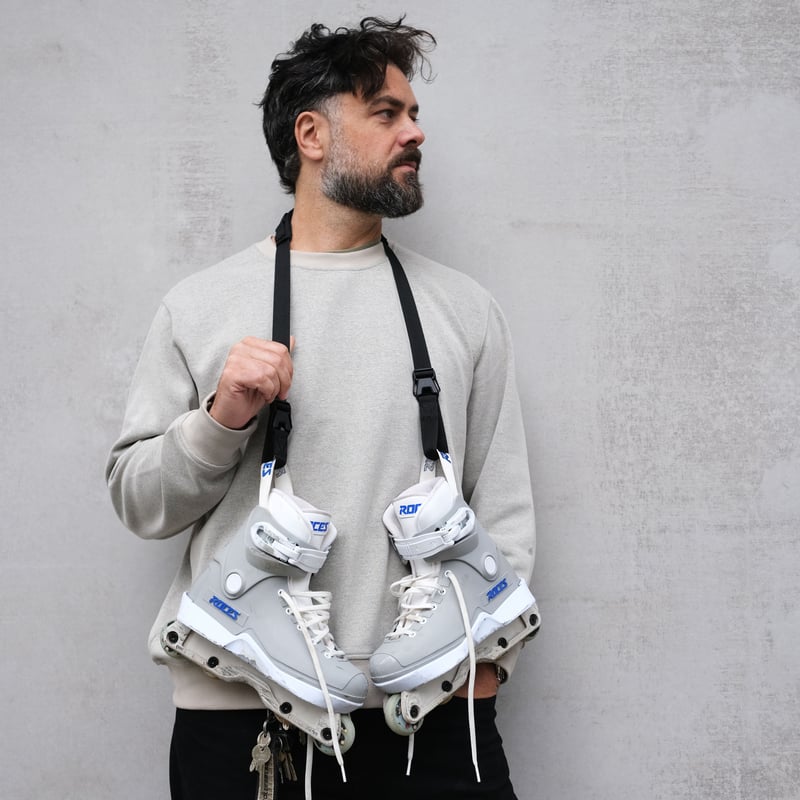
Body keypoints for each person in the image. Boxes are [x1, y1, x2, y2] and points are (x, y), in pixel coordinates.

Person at [107, 17, 536, 800]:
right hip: (247, 718)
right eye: (386, 112)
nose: (415, 132)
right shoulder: (200, 306)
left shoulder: (465, 310)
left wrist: (490, 663)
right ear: (311, 134)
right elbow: (140, 503)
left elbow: (503, 510)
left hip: (435, 717)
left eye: (413, 114)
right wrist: (221, 420)